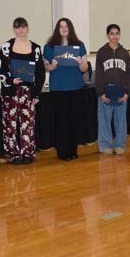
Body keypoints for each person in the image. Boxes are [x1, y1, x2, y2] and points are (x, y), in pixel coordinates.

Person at [0, 18, 46, 165]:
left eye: (23, 27)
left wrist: (37, 93)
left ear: (27, 28)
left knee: (28, 124)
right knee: (10, 124)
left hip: (28, 92)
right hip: (11, 91)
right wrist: (11, 81)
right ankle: (13, 154)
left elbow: (40, 73)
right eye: (17, 27)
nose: (21, 30)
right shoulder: (6, 47)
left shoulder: (36, 48)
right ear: (14, 29)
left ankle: (27, 152)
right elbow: (1, 69)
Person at [43, 18, 88, 161]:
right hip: (58, 88)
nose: (64, 29)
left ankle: (73, 151)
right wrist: (52, 66)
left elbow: (84, 68)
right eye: (61, 26)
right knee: (61, 121)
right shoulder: (49, 46)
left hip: (76, 87)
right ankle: (62, 152)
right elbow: (46, 67)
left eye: (66, 26)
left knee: (74, 120)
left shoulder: (79, 45)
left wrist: (81, 63)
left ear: (70, 28)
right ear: (57, 29)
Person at [94, 24, 130, 155]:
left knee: (121, 120)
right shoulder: (102, 52)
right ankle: (105, 145)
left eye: (117, 33)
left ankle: (120, 144)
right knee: (104, 120)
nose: (114, 36)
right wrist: (101, 92)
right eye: (112, 33)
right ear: (107, 35)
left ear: (119, 35)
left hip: (121, 92)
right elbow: (98, 74)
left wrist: (127, 92)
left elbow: (129, 73)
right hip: (106, 92)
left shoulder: (124, 52)